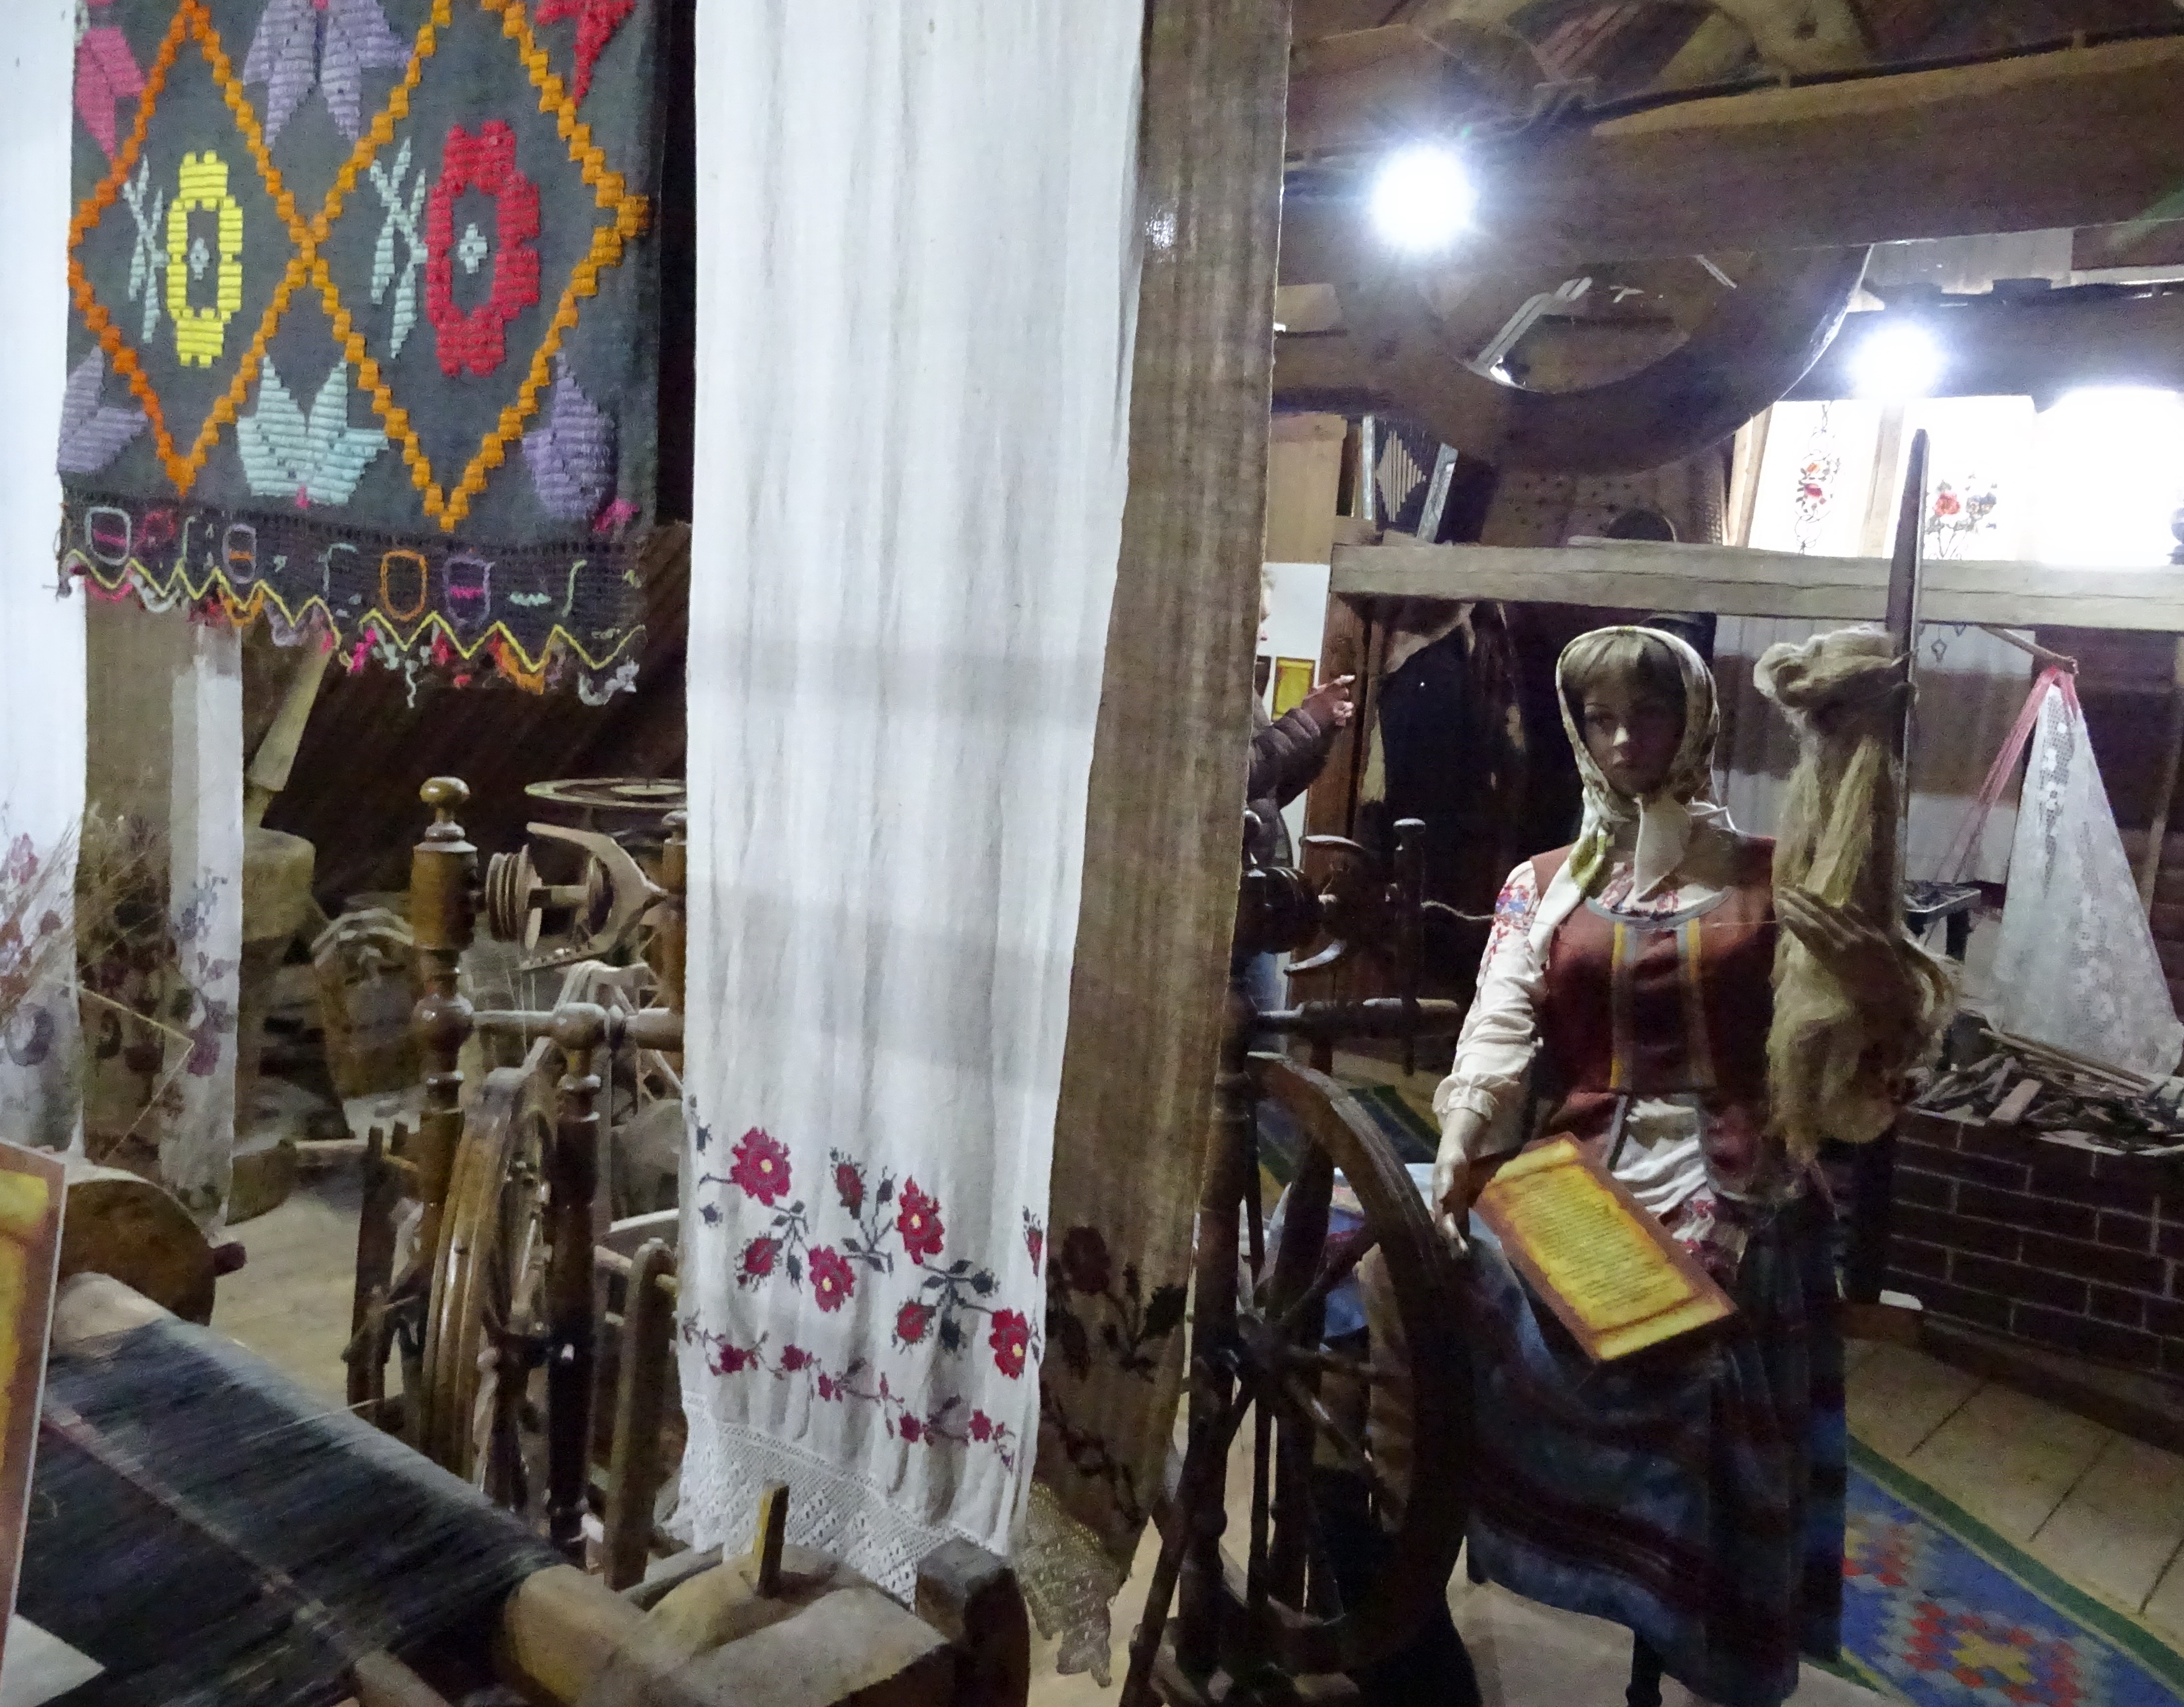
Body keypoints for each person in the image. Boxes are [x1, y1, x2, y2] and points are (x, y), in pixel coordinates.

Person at [1425, 625, 1919, 1707]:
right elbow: (1500, 1022)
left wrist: (1876, 995)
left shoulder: (1777, 878)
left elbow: (1842, 1079)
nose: (1620, 741)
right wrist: (1466, 1128)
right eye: (1598, 718)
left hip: (1737, 1170)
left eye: (1646, 715)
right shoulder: (1543, 884)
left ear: (1693, 720)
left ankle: (1692, 1619)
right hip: (1573, 1164)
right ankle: (1470, 1520)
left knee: (1699, 1348)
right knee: (1414, 1281)